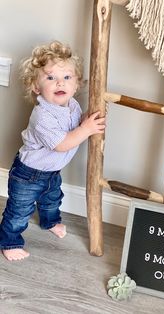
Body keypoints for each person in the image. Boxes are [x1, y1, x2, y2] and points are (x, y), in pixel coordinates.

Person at [0, 41, 106, 261]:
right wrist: (86, 130)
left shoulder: (72, 105)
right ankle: (9, 242)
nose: (60, 83)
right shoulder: (42, 116)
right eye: (50, 78)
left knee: (52, 199)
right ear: (37, 87)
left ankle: (50, 221)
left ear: (76, 84)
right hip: (28, 175)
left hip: (52, 171)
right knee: (19, 212)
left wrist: (87, 121)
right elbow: (62, 144)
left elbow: (75, 125)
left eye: (67, 77)